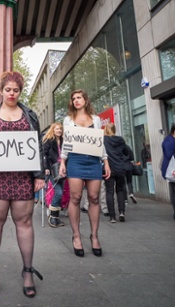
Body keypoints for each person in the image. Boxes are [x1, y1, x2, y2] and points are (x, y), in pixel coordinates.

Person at [0, 71, 45, 298]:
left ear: (20, 92)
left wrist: (39, 174)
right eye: (8, 90)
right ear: (1, 90)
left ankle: (28, 272)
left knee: (24, 222)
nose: (12, 94)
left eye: (16, 90)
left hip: (23, 177)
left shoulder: (30, 114)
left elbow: (38, 145)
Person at [59, 89, 111, 258]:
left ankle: (94, 236)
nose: (76, 100)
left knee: (94, 197)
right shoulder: (68, 120)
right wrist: (63, 162)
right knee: (75, 197)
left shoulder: (95, 119)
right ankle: (76, 236)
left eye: (79, 97)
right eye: (74, 98)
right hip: (75, 159)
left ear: (85, 100)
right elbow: (66, 143)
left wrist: (106, 162)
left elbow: (100, 142)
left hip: (93, 160)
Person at [104, 123, 130, 223]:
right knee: (120, 190)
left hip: (108, 169)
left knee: (109, 192)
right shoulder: (121, 140)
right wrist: (123, 160)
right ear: (114, 129)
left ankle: (112, 217)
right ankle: (122, 212)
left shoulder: (104, 140)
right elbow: (128, 152)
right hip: (120, 168)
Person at [42, 122, 65, 227]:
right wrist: (46, 167)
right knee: (58, 192)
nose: (59, 130)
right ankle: (52, 216)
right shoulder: (49, 141)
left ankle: (56, 217)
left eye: (60, 129)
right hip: (52, 168)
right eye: (57, 129)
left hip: (63, 169)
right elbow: (44, 155)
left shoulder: (64, 141)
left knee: (61, 194)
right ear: (53, 130)